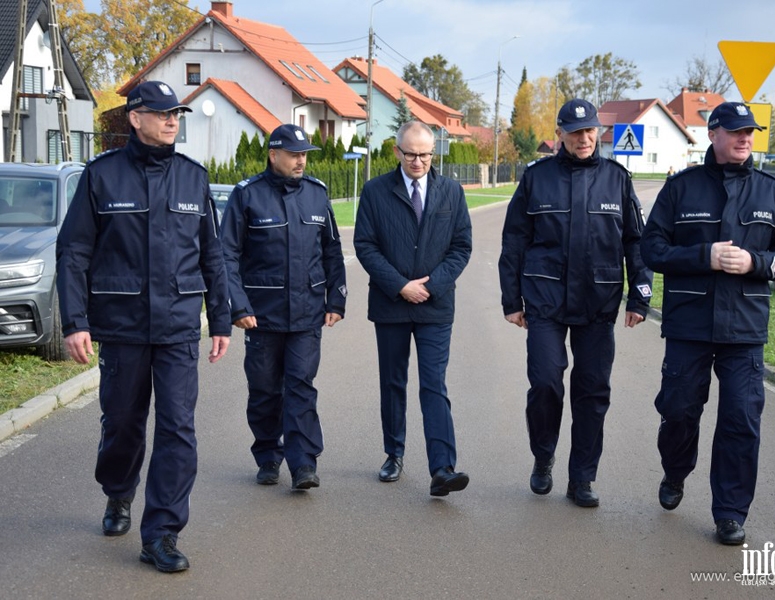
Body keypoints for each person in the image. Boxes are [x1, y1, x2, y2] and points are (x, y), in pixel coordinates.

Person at [55, 81, 231, 572]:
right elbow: (74, 253)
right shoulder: (102, 176)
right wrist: (75, 322)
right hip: (123, 327)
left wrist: (220, 318)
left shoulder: (193, 178)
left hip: (177, 327)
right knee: (123, 426)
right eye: (162, 113)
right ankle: (118, 491)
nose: (173, 120)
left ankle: (162, 533)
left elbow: (213, 255)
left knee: (178, 428)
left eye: (177, 113)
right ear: (136, 118)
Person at [640, 101, 775, 545]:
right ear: (713, 134)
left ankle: (730, 513)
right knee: (677, 411)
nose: (745, 138)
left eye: (750, 131)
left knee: (741, 419)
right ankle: (675, 472)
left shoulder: (772, 192)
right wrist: (701, 256)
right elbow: (651, 249)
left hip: (744, 329)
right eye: (735, 131)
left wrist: (755, 261)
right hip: (689, 323)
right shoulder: (681, 189)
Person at [499, 98, 653, 508]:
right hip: (545, 301)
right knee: (546, 384)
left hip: (598, 303)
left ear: (598, 132)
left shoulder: (617, 179)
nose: (584, 139)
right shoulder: (537, 178)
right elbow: (514, 240)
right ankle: (543, 455)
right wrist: (510, 299)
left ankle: (582, 478)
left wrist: (640, 292)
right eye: (575, 132)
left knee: (592, 392)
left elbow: (635, 242)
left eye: (590, 131)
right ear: (560, 135)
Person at [219, 124, 346, 492]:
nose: (301, 160)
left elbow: (332, 251)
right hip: (262, 315)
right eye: (294, 154)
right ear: (274, 155)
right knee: (264, 389)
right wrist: (238, 306)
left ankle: (303, 462)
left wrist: (336, 298)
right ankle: (267, 454)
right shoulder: (248, 196)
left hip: (307, 314)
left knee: (301, 386)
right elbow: (226, 254)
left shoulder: (317, 195)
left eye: (305, 154)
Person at [353, 121, 472, 497]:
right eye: (411, 154)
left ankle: (443, 467)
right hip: (390, 304)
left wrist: (431, 285)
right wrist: (400, 285)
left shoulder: (451, 192)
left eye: (425, 154)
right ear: (396, 152)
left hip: (436, 306)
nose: (418, 161)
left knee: (434, 383)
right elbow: (365, 245)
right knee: (393, 382)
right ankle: (394, 453)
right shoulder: (374, 191)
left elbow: (461, 247)